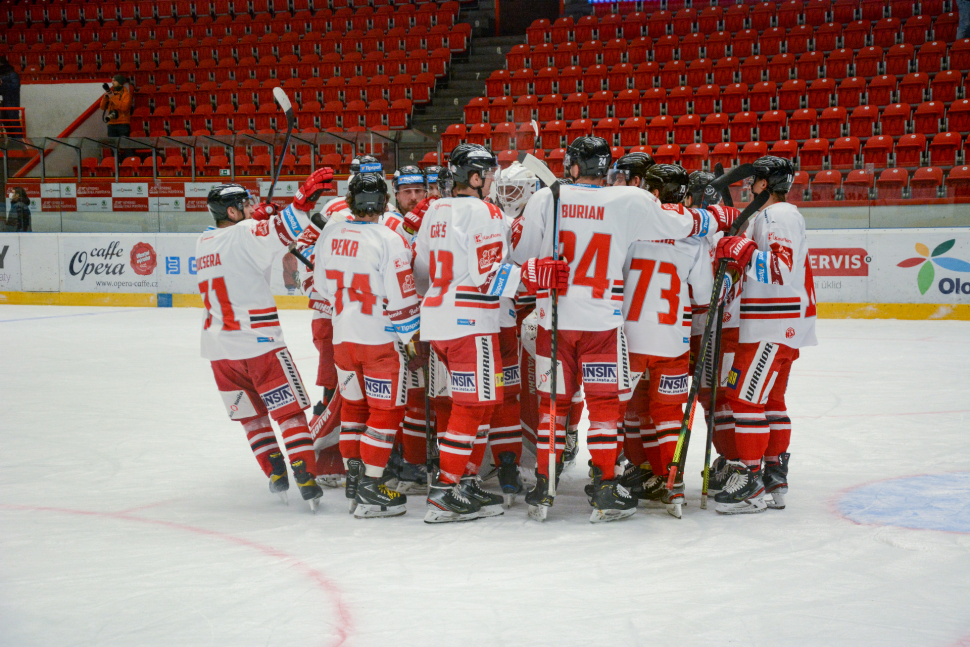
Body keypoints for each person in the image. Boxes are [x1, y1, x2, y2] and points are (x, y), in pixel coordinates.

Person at [511, 136, 732, 523]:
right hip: (603, 326)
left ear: (575, 166)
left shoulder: (548, 198)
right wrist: (716, 218)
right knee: (604, 409)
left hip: (554, 321)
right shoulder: (628, 199)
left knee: (554, 406)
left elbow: (523, 257)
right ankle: (608, 484)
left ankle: (545, 485)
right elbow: (681, 223)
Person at [196, 168, 334, 511]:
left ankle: (275, 473)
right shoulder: (245, 232)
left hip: (218, 350)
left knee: (252, 417)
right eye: (244, 203)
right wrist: (301, 201)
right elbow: (285, 228)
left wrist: (257, 220)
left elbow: (254, 242)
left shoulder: (203, 241)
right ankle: (304, 474)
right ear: (231, 211)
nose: (250, 205)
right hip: (260, 345)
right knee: (289, 414)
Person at [712, 156, 817, 514]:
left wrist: (739, 249)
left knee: (743, 399)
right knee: (769, 402)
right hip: (779, 326)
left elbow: (780, 269)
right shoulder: (773, 216)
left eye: (755, 180)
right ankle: (773, 474)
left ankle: (751, 482)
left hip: (769, 327)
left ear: (766, 184)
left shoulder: (778, 215)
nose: (749, 185)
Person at [412, 143, 511, 523]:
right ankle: (446, 490)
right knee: (471, 406)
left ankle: (465, 481)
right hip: (472, 322)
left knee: (480, 402)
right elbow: (492, 276)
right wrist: (533, 274)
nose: (490, 181)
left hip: (438, 321)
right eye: (486, 174)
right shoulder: (486, 212)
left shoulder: (435, 208)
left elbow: (421, 270)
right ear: (474, 177)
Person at [314, 172, 420, 518]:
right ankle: (372, 488)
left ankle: (355, 481)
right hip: (379, 342)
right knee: (385, 413)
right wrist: (411, 339)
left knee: (354, 411)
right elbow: (403, 299)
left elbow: (323, 289)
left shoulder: (330, 234)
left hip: (343, 340)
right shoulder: (390, 238)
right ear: (385, 204)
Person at [0, 57, 22, 138]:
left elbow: (15, 87)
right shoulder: (3, 75)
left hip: (12, 102)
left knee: (14, 123)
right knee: (6, 123)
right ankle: (11, 142)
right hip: (4, 103)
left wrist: (2, 84)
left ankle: (20, 143)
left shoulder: (13, 74)